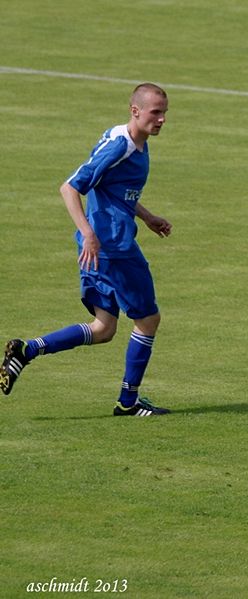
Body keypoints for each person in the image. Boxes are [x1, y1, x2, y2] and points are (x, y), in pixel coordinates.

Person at [0, 83, 172, 416]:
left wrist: (147, 216)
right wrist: (89, 233)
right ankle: (128, 402)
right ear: (135, 111)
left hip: (102, 246)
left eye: (165, 113)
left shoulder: (133, 140)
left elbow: (113, 190)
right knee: (148, 320)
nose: (162, 119)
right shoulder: (120, 146)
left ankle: (26, 350)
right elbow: (69, 187)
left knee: (103, 328)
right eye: (156, 112)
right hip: (113, 248)